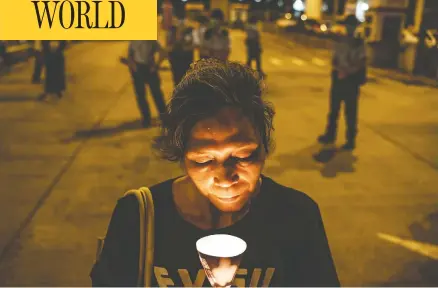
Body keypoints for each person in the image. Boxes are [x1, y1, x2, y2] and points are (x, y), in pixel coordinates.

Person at [90, 59, 340, 287]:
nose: (225, 177)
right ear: (181, 156)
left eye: (243, 156)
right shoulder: (139, 217)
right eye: (204, 160)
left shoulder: (296, 216)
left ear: (264, 147)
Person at [318, 15, 366, 150]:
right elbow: (334, 60)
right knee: (333, 110)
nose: (350, 28)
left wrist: (348, 72)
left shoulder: (359, 43)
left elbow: (361, 62)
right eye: (348, 25)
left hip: (351, 81)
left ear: (356, 27)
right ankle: (330, 135)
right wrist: (339, 70)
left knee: (350, 112)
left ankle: (350, 140)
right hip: (338, 79)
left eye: (353, 25)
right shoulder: (340, 41)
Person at [127, 40, 167, 127]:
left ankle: (153, 119)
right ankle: (149, 119)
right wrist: (133, 67)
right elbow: (130, 56)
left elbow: (163, 52)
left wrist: (156, 65)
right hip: (141, 68)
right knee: (147, 95)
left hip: (147, 67)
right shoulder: (136, 41)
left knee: (154, 94)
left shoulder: (150, 41)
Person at [168, 16, 195, 86]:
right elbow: (169, 47)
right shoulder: (172, 32)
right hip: (176, 60)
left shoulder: (189, 32)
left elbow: (192, 46)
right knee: (177, 81)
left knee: (186, 80)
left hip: (185, 60)